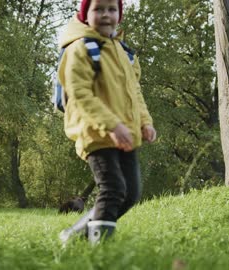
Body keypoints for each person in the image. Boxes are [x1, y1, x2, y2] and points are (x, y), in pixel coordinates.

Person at [57, 0, 157, 245]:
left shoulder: (123, 52)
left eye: (111, 9)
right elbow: (79, 94)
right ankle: (100, 249)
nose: (105, 15)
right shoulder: (80, 48)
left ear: (119, 14)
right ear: (85, 14)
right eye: (98, 9)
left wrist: (145, 122)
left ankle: (77, 232)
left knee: (130, 194)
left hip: (126, 135)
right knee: (113, 189)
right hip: (96, 134)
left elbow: (135, 92)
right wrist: (111, 124)